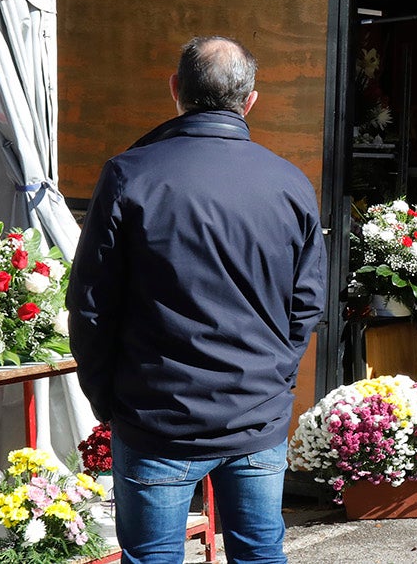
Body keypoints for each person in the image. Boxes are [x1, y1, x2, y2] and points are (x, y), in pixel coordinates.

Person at [67, 36, 327, 563]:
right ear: (250, 100)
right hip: (255, 413)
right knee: (259, 554)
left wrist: (107, 399)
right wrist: (273, 378)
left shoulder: (130, 174)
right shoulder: (289, 182)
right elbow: (307, 305)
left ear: (175, 91)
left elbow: (91, 306)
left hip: (157, 415)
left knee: (154, 557)